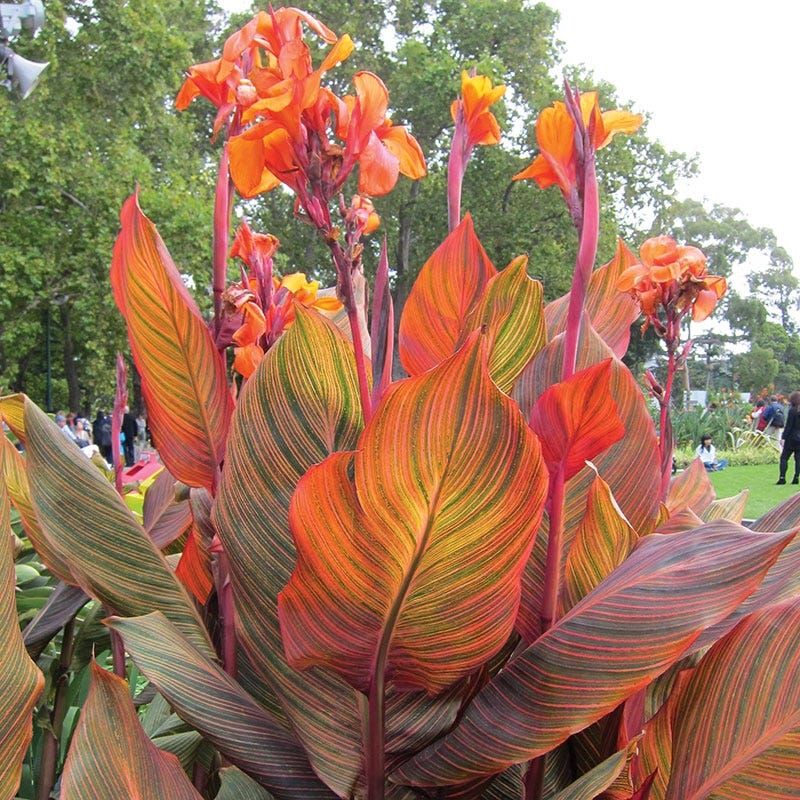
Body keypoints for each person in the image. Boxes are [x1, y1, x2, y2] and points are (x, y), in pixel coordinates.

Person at [777, 391, 800, 485]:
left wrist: (783, 437)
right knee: (798, 459)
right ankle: (796, 477)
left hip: (791, 438)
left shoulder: (792, 411)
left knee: (784, 458)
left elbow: (789, 426)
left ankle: (782, 477)